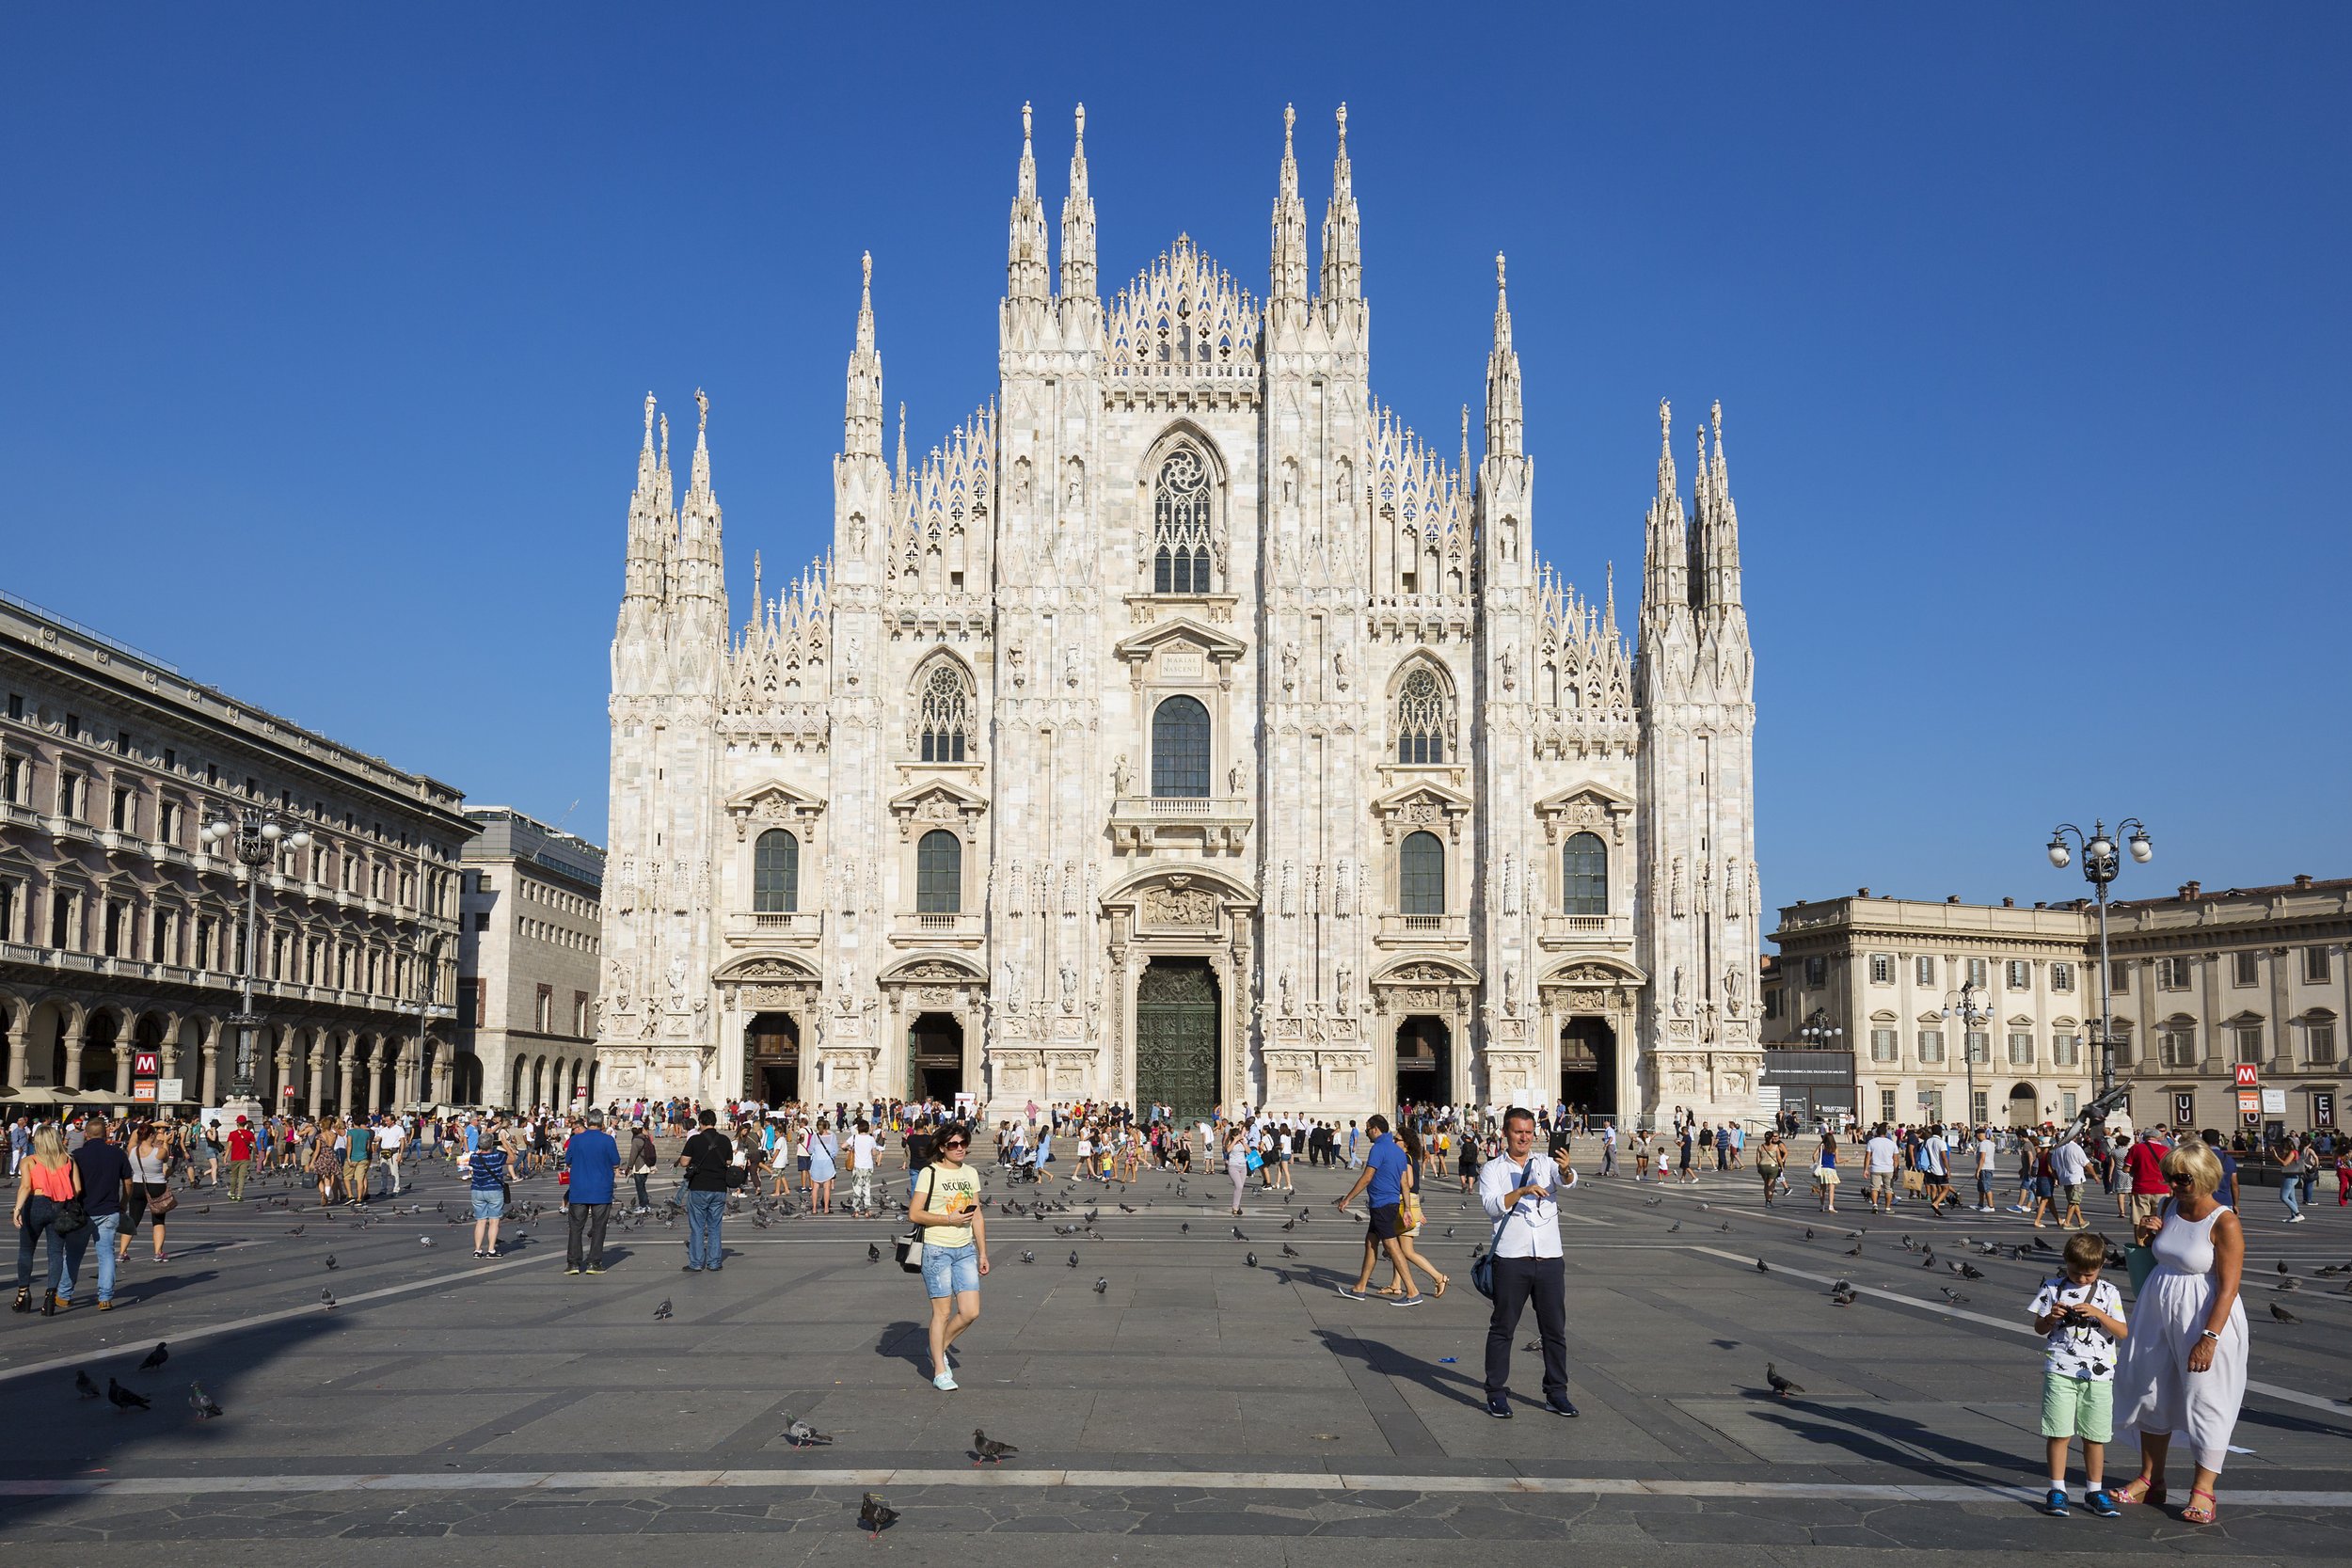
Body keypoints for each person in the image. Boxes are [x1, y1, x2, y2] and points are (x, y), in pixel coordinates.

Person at [2111, 1141, 2248, 1526]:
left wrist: (2210, 1338)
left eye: (2182, 1178)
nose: (2173, 1184)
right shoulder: (2170, 1207)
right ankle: (2150, 1479)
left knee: (2206, 1398)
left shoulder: (2224, 1222)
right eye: (2169, 1176)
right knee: (2150, 1391)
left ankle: (2203, 1490)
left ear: (2204, 1177)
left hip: (2202, 1317)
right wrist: (2147, 1235)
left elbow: (2228, 1287)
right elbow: (2159, 1253)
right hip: (2157, 1310)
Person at [1476, 1107, 1578, 1419]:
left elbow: (1569, 1182)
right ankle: (1495, 1392)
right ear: (1505, 1133)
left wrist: (1565, 1171)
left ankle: (1556, 1393)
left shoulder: (1546, 1163)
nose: (1524, 1137)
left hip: (1549, 1257)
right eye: (1519, 1132)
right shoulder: (1492, 1169)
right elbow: (1492, 1206)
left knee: (1554, 1330)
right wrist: (1521, 1190)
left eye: (1529, 1132)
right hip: (1511, 1258)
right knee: (1503, 1327)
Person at [2027, 1231, 2129, 1516]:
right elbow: (2039, 1328)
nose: (2082, 1278)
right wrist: (2051, 1317)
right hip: (2060, 1369)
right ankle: (2057, 1488)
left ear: (2100, 1268)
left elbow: (2122, 1332)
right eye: (2076, 1272)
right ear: (2065, 1262)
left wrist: (2098, 1313)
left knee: (2095, 1436)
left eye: (2089, 1274)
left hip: (2099, 1374)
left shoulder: (2108, 1292)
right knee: (2058, 1432)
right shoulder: (2052, 1288)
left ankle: (2093, 1491)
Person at [907, 1121, 987, 1391]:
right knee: (941, 1313)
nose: (960, 1148)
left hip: (965, 1250)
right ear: (942, 1148)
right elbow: (914, 1213)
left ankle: (936, 1348)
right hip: (936, 1248)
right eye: (954, 1144)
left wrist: (983, 1251)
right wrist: (948, 1219)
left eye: (964, 1143)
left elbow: (977, 1214)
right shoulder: (930, 1173)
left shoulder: (971, 1173)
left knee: (971, 1312)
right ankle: (940, 1370)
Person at [1333, 1114, 1422, 1305]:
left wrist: (1347, 1199)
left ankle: (1413, 1291)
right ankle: (1360, 1287)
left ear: (1375, 1129)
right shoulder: (1398, 1151)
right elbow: (1404, 1183)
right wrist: (1406, 1208)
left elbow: (1367, 1177)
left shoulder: (1378, 1148)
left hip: (1382, 1205)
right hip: (1388, 1204)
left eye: (1368, 1128)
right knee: (1371, 1243)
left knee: (1391, 1246)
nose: (1366, 1132)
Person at [13, 1126, 84, 1316]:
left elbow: (26, 1186)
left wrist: (17, 1209)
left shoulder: (29, 1160)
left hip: (36, 1204)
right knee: (55, 1252)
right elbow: (77, 1188)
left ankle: (23, 1295)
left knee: (26, 1250)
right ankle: (50, 1297)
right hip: (60, 1207)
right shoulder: (69, 1160)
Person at [64, 1119, 133, 1311]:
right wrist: (123, 1203)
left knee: (73, 1255)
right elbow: (128, 1183)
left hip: (83, 1212)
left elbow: (71, 1185)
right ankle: (105, 1297)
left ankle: (63, 1294)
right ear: (106, 1134)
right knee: (106, 1255)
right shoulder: (118, 1154)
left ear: (86, 1134)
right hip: (110, 1210)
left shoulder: (77, 1155)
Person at [563, 1109, 623, 1275]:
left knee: (575, 1227)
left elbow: (568, 1160)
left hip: (579, 1189)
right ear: (602, 1122)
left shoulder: (576, 1140)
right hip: (601, 1190)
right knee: (598, 1227)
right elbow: (615, 1163)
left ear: (587, 1121)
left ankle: (573, 1263)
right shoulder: (608, 1140)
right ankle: (594, 1263)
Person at [676, 1109, 732, 1272]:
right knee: (715, 1226)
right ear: (714, 1122)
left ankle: (696, 1263)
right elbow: (728, 1161)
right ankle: (714, 1262)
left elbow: (684, 1163)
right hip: (719, 1188)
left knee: (697, 1226)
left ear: (700, 1122)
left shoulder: (695, 1140)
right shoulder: (724, 1140)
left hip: (699, 1187)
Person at [122, 1122, 175, 1263]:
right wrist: (165, 1141)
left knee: (133, 1218)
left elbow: (134, 1134)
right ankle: (158, 1253)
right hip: (157, 1185)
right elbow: (166, 1158)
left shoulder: (131, 1150)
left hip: (137, 1184)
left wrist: (152, 1124)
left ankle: (122, 1252)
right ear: (151, 1135)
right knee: (158, 1220)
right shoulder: (159, 1152)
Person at [468, 1131, 510, 1259]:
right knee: (494, 1222)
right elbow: (512, 1159)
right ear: (491, 1144)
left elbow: (472, 1163)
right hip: (494, 1190)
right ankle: (491, 1250)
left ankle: (477, 1250)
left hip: (477, 1191)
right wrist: (505, 1144)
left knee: (480, 1221)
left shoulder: (474, 1157)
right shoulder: (497, 1156)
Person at [808, 1117, 838, 1214]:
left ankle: (814, 1208)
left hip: (816, 1163)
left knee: (815, 1187)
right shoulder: (832, 1136)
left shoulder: (814, 1137)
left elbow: (810, 1150)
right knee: (826, 1187)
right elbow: (834, 1151)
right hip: (827, 1164)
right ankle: (826, 1208)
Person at [1756, 1130, 1786, 1205]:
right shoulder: (1775, 1147)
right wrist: (1781, 1166)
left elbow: (1758, 1159)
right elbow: (1779, 1158)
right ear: (1772, 1138)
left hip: (1762, 1166)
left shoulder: (1760, 1146)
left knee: (1766, 1184)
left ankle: (1766, 1200)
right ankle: (1769, 1201)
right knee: (1771, 1185)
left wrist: (1758, 1167)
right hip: (1772, 1167)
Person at [1815, 1131, 1840, 1213]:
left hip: (1822, 1169)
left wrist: (1816, 1163)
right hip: (1831, 1169)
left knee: (1822, 1189)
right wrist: (1846, 1160)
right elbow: (1837, 1161)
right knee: (1831, 1189)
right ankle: (1830, 1206)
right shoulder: (1835, 1148)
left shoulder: (1821, 1146)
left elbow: (1813, 1155)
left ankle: (1822, 1206)